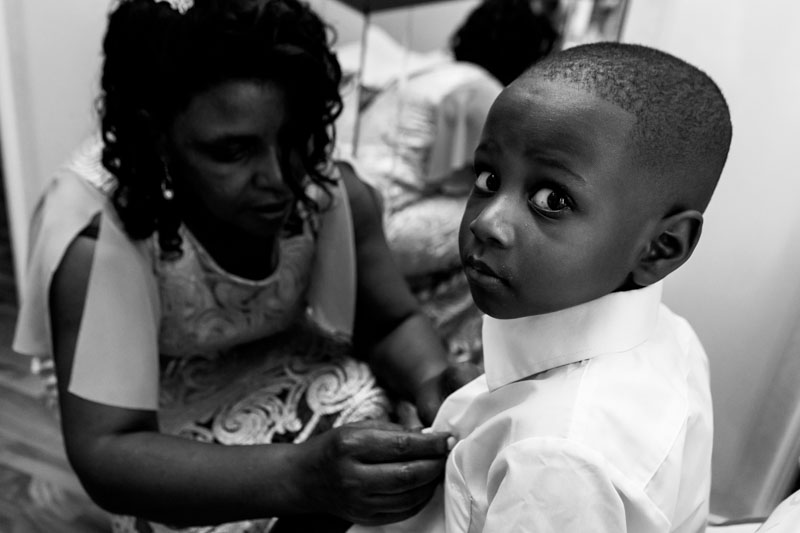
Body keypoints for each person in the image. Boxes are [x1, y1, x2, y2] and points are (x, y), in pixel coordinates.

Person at [12, 0, 478, 531]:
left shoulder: (325, 188)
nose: (279, 179)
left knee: (370, 408)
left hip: (277, 359)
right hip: (148, 412)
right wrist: (301, 477)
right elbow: (108, 449)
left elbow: (389, 322)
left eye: (294, 136)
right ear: (158, 136)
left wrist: (433, 380)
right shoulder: (105, 231)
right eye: (233, 152)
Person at [350, 41, 732, 533]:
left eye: (552, 199)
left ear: (660, 247)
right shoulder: (672, 334)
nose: (487, 222)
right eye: (488, 178)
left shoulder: (557, 459)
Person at [335, 0, 559, 366]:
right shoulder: (482, 90)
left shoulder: (435, 70)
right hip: (381, 228)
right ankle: (448, 344)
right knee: (507, 222)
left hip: (352, 214)